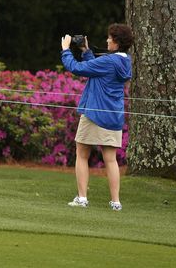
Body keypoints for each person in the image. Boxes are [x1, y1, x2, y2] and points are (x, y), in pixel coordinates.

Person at [60, 23, 133, 211]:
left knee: (82, 154)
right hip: (113, 116)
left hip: (94, 113)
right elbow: (97, 69)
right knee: (111, 159)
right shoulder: (124, 61)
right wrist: (85, 50)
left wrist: (66, 50)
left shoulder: (108, 61)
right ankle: (116, 202)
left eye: (110, 38)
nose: (107, 40)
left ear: (117, 42)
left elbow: (76, 68)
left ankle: (82, 198)